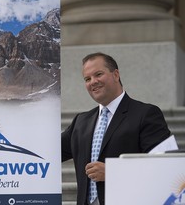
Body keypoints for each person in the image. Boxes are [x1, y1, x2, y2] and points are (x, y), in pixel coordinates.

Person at [61, 52, 171, 205]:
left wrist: (115, 173)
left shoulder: (146, 114)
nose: (93, 82)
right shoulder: (81, 122)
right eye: (87, 79)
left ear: (116, 74)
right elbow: (49, 151)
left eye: (98, 74)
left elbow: (166, 166)